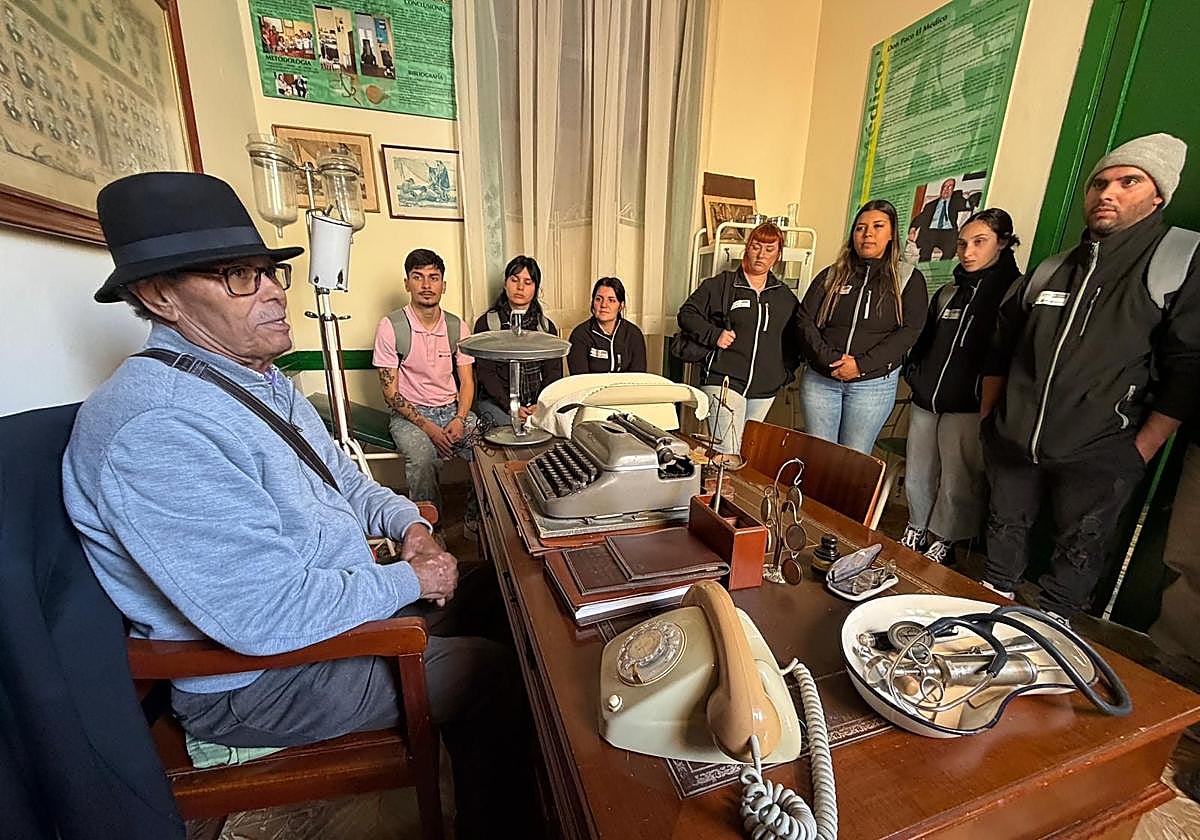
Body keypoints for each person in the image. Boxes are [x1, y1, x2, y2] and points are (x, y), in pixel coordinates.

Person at [60, 172, 538, 838]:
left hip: (333, 618)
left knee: (504, 596)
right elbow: (263, 616)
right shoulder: (155, 428)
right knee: (495, 676)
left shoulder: (258, 379)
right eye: (239, 276)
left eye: (270, 272)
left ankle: (481, 771)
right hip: (263, 678)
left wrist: (410, 527)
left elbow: (345, 480)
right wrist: (407, 579)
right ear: (158, 295)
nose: (274, 292)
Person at [981, 133, 1200, 623]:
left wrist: (1138, 450)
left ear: (1158, 195)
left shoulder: (1177, 260)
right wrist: (991, 422)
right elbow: (1000, 347)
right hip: (1014, 445)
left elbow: (1188, 367)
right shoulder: (1053, 269)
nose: (1108, 193)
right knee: (998, 559)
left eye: (1128, 182)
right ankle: (982, 629)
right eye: (1100, 183)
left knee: (1074, 565)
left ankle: (1051, 636)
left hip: (1100, 454)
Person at [900, 209, 1024, 564]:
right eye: (962, 244)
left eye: (979, 242)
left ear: (1002, 243)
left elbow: (1008, 354)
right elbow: (924, 340)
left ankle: (945, 538)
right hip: (928, 399)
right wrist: (915, 374)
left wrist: (989, 405)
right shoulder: (949, 292)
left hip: (969, 405)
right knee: (918, 471)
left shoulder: (1013, 292)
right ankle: (916, 526)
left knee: (958, 478)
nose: (968, 252)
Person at [796, 199, 928, 454]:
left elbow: (910, 331)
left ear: (892, 234)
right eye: (860, 228)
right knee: (819, 455)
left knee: (854, 460)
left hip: (872, 385)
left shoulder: (907, 278)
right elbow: (804, 320)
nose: (868, 234)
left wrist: (860, 365)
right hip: (822, 380)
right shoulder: (832, 275)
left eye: (878, 226)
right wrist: (830, 359)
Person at [374, 248, 480, 526]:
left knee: (484, 448)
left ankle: (477, 518)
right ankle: (430, 530)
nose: (426, 285)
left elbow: (467, 381)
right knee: (422, 460)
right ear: (406, 283)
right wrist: (429, 429)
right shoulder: (391, 326)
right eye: (417, 277)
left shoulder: (457, 326)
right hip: (410, 415)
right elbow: (390, 393)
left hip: (452, 410)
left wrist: (459, 418)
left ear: (443, 285)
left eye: (433, 278)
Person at [677, 222, 799, 455]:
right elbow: (687, 314)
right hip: (723, 381)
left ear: (778, 255)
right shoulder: (721, 285)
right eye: (756, 246)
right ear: (747, 248)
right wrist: (714, 335)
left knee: (746, 452)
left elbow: (795, 340)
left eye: (769, 249)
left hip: (764, 389)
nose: (761, 254)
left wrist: (782, 375)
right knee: (727, 451)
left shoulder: (784, 297)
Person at [473, 255, 563, 427]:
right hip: (497, 403)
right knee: (510, 429)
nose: (520, 287)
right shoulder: (488, 324)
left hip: (536, 403)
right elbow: (486, 373)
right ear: (505, 284)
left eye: (528, 282)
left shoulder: (545, 326)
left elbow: (553, 372)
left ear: (536, 288)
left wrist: (541, 404)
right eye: (514, 280)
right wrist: (511, 406)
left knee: (554, 427)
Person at [567, 276, 648, 374]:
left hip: (626, 385)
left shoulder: (634, 334)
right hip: (591, 384)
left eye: (611, 300)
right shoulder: (579, 335)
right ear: (593, 303)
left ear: (621, 306)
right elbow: (580, 379)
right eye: (598, 299)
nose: (604, 305)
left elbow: (638, 377)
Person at [908, 178, 974, 262]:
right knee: (925, 252)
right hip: (930, 232)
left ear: (953, 190)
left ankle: (941, 268)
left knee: (950, 251)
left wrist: (961, 196)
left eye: (950, 187)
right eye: (944, 187)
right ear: (941, 189)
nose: (946, 189)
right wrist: (913, 229)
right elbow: (921, 217)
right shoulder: (930, 205)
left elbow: (968, 205)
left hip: (948, 233)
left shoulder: (955, 201)